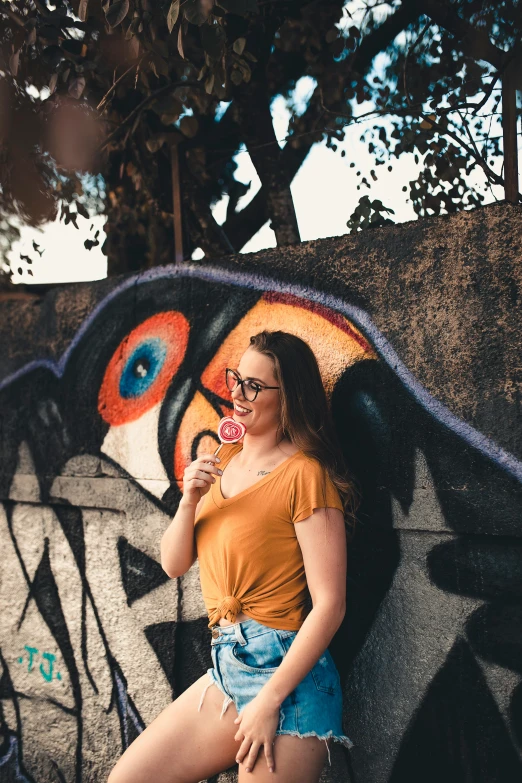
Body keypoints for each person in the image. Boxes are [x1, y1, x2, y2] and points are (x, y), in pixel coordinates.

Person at [108, 330, 359, 783]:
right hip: (228, 662)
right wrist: (189, 501)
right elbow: (173, 563)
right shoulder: (225, 459)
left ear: (289, 397)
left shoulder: (305, 475)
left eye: (254, 386)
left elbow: (330, 605)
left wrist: (269, 700)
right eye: (237, 379)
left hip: (287, 678)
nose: (237, 395)